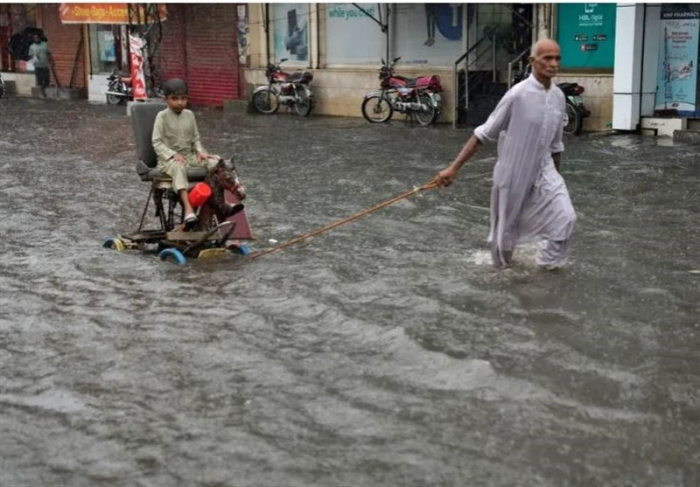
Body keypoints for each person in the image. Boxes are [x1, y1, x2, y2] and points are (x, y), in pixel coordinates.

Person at [433, 38, 576, 269]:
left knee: (565, 218)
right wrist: (453, 168)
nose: (553, 64)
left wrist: (556, 181)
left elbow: (556, 145)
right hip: (512, 172)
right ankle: (503, 277)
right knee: (504, 236)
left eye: (557, 58)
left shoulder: (559, 97)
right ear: (532, 61)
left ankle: (547, 271)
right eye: (547, 58)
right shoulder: (517, 94)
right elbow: (483, 134)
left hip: (544, 169)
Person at [152, 78, 233, 228]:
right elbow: (156, 142)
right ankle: (188, 208)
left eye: (183, 98)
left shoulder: (189, 115)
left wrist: (201, 151)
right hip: (168, 161)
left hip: (189, 156)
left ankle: (223, 202)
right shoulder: (161, 117)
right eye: (174, 99)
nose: (179, 102)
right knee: (178, 166)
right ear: (166, 100)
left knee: (217, 162)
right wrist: (172, 154)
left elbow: (196, 138)